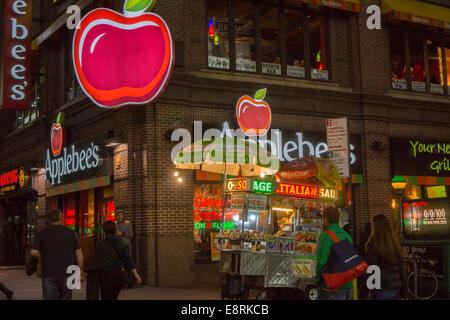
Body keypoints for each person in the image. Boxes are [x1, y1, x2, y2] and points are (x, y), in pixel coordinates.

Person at [31, 208, 83, 300]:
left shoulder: (42, 233)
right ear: (60, 218)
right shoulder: (71, 232)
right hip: (68, 272)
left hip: (48, 272)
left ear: (48, 219)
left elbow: (34, 252)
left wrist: (44, 256)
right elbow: (79, 252)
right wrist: (80, 270)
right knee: (66, 297)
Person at [86, 221, 142, 300]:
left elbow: (94, 261)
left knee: (106, 297)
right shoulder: (119, 241)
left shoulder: (100, 244)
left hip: (106, 276)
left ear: (104, 231)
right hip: (118, 275)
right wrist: (136, 275)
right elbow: (127, 258)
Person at [365, 214, 407, 300]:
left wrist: (366, 291)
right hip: (395, 287)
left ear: (375, 226)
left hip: (381, 288)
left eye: (372, 224)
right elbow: (402, 270)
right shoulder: (394, 243)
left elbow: (372, 269)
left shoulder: (373, 243)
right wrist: (404, 293)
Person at [316, 206, 354, 300]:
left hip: (333, 286)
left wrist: (318, 281)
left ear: (325, 219)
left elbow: (321, 261)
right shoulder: (347, 235)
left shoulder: (326, 235)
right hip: (348, 285)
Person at [115, 209, 134, 288]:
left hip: (125, 246)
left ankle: (130, 282)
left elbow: (131, 235)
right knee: (118, 265)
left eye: (121, 215)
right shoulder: (114, 224)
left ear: (123, 215)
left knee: (127, 264)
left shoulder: (127, 223)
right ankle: (121, 282)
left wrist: (122, 233)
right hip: (117, 246)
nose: (119, 216)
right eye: (118, 215)